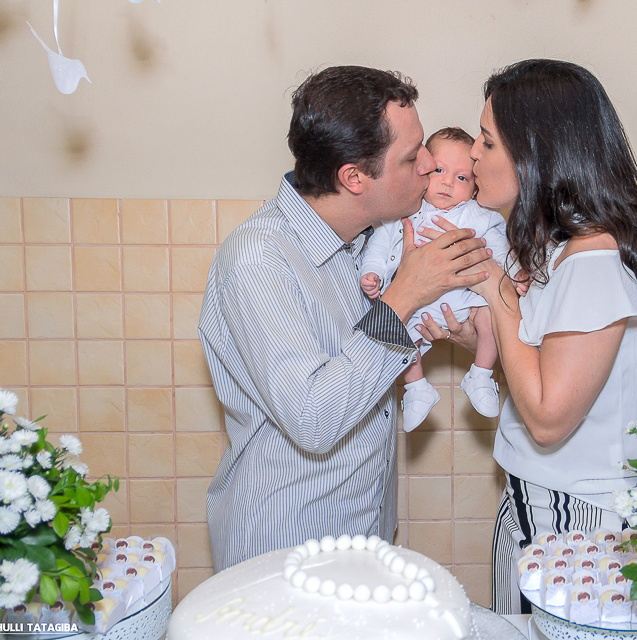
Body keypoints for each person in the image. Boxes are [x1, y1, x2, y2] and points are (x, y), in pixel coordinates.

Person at [420, 59, 637, 614]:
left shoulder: (593, 262)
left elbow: (547, 420)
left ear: (536, 154)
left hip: (580, 522)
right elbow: (554, 369)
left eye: (487, 142)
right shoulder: (568, 247)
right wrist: (478, 341)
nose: (473, 156)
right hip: (548, 502)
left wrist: (495, 287)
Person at [198, 66, 492, 572]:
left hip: (365, 537)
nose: (429, 165)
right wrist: (404, 295)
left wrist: (471, 331)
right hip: (285, 548)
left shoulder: (367, 240)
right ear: (354, 178)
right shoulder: (260, 260)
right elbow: (314, 418)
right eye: (412, 157)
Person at [360, 127, 509, 431]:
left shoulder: (477, 214)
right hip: (417, 306)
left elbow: (500, 247)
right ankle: (417, 389)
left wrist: (514, 272)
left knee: (491, 319)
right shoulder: (406, 211)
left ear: (475, 187)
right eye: (440, 170)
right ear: (423, 169)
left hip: (466, 300)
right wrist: (371, 272)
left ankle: (481, 374)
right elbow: (381, 243)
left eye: (462, 177)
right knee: (397, 336)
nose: (448, 182)